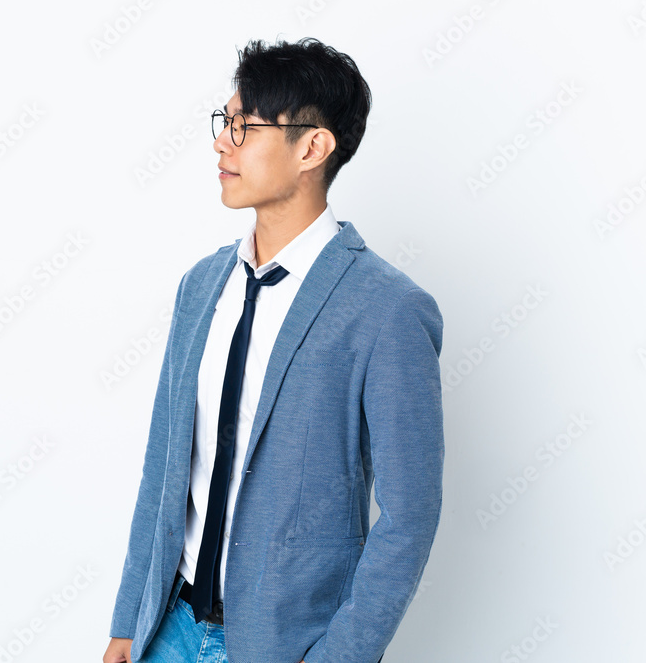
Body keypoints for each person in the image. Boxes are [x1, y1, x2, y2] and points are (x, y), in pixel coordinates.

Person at [104, 36, 444, 663]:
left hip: (283, 645)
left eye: (245, 127)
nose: (221, 143)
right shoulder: (202, 285)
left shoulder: (387, 310)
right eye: (224, 122)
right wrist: (129, 620)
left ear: (312, 147)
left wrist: (339, 656)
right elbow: (164, 465)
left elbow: (409, 517)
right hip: (167, 628)